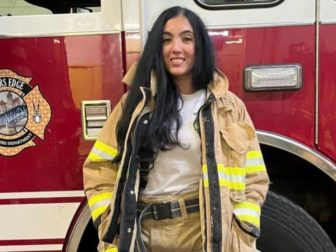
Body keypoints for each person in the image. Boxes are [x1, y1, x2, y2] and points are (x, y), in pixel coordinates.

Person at [83, 6, 269, 252]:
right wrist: (110, 222)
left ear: (199, 46)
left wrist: (242, 230)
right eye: (166, 40)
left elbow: (254, 177)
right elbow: (99, 170)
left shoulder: (229, 107)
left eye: (187, 39)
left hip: (204, 231)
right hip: (143, 232)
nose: (176, 48)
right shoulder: (135, 105)